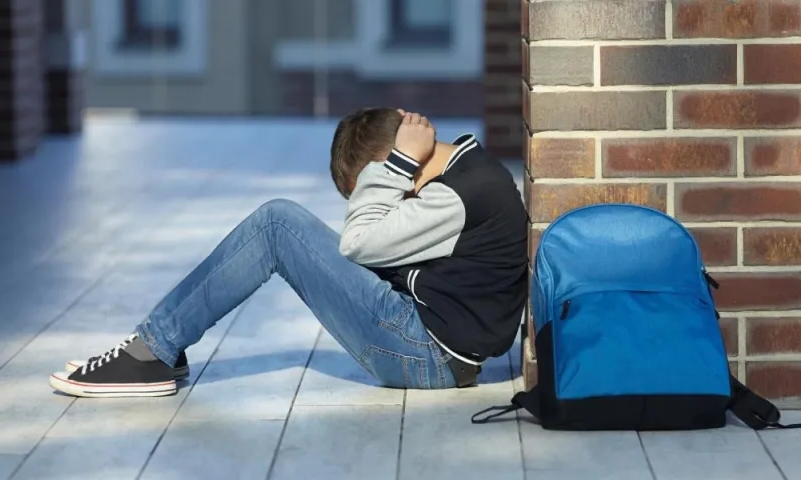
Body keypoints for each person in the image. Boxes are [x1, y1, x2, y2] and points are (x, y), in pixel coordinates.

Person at [49, 108, 529, 397]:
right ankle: (161, 347)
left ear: (397, 165)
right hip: (437, 347)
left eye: (379, 185)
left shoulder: (455, 195)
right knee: (287, 226)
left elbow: (358, 242)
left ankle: (151, 351)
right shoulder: (470, 176)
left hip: (426, 356)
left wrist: (398, 164)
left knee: (278, 223)